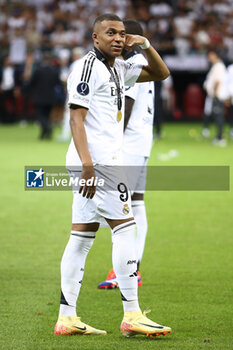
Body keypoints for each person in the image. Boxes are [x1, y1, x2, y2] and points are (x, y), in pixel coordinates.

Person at [54, 13, 171, 338]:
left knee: (81, 237)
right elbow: (76, 119)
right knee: (126, 229)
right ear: (95, 38)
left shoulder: (120, 68)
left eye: (122, 34)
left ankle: (67, 317)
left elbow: (162, 73)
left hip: (99, 163)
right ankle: (132, 313)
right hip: (99, 164)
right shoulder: (87, 68)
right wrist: (88, 166)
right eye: (110, 33)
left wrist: (145, 44)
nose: (119, 38)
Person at [97, 20, 155, 290]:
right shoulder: (144, 61)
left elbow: (126, 106)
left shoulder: (131, 63)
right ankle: (135, 267)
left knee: (120, 208)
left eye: (121, 35)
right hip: (142, 143)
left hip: (129, 144)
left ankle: (125, 270)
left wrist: (112, 143)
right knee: (136, 204)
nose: (117, 41)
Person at [202, 50, 227, 146]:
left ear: (216, 56)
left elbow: (218, 81)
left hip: (217, 96)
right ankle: (218, 137)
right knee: (217, 116)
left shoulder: (219, 66)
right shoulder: (216, 66)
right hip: (215, 95)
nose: (209, 57)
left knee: (218, 116)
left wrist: (215, 94)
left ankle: (220, 138)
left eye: (211, 55)